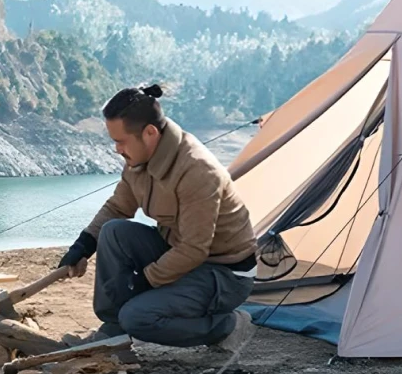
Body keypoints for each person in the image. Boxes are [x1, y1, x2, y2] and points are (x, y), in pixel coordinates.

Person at [58, 84, 258, 353]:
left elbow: (193, 249)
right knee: (113, 232)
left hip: (224, 273)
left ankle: (227, 326)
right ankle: (113, 331)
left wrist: (144, 281)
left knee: (137, 317)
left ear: (150, 133)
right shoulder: (137, 158)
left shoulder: (197, 171)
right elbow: (118, 207)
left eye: (121, 141)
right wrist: (82, 246)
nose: (117, 149)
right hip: (181, 252)